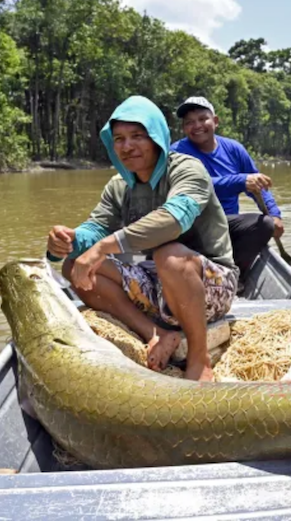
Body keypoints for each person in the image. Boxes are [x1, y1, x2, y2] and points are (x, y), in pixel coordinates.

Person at [45, 95, 238, 382]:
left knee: (169, 255)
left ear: (158, 137)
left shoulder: (187, 170)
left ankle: (199, 358)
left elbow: (175, 218)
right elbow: (96, 227)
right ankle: (157, 333)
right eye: (119, 138)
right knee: (74, 267)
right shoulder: (119, 185)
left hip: (211, 283)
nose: (127, 146)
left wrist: (105, 246)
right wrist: (66, 241)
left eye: (137, 136)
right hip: (157, 280)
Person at [170, 97, 284, 288]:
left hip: (226, 224)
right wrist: (240, 181)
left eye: (202, 119)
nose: (196, 125)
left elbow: (258, 184)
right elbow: (195, 184)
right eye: (189, 122)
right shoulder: (177, 152)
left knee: (264, 224)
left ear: (215, 121)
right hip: (193, 226)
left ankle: (233, 276)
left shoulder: (234, 149)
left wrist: (274, 214)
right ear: (184, 129)